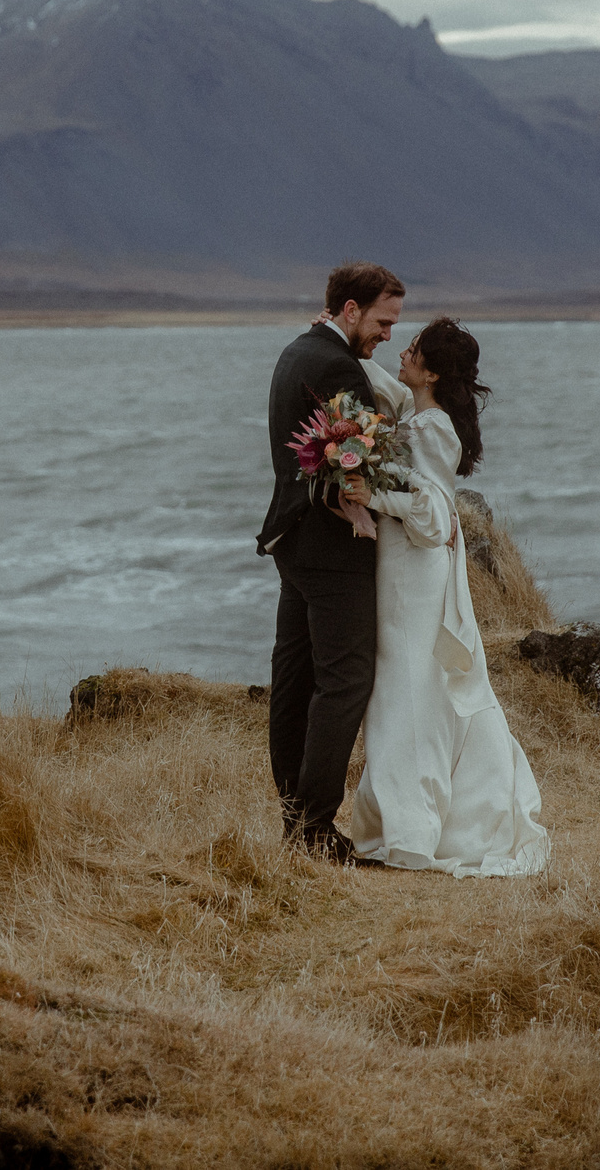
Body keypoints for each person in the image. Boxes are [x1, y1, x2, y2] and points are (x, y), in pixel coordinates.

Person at [341, 316, 549, 875]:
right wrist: (342, 343)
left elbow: (434, 516)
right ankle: (402, 820)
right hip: (404, 569)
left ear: (431, 371)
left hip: (414, 573)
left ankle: (411, 830)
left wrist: (373, 495)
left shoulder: (433, 429)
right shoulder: (421, 412)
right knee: (409, 689)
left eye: (410, 350)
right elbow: (387, 388)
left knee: (407, 692)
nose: (401, 354)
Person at [259, 261, 405, 860]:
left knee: (294, 678)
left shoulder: (297, 351)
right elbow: (357, 461)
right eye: (383, 320)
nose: (389, 334)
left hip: (292, 540)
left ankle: (294, 814)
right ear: (350, 309)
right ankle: (314, 829)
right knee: (346, 681)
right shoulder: (340, 367)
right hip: (329, 546)